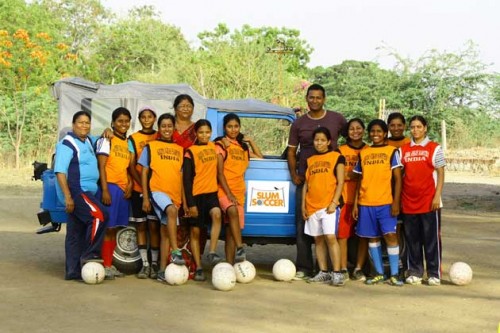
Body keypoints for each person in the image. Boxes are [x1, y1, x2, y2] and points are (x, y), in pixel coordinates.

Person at [287, 83, 347, 279]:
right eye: (311, 97)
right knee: (303, 226)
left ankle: (336, 269)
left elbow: (353, 137)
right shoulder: (298, 123)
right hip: (306, 181)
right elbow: (291, 151)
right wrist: (295, 174)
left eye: (318, 97)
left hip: (330, 184)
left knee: (332, 232)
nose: (314, 101)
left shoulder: (337, 119)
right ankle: (306, 268)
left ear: (324, 99)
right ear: (306, 99)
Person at [54, 111, 108, 280]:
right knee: (100, 216)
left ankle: (73, 271)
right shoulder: (67, 144)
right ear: (73, 124)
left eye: (87, 123)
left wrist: (107, 130)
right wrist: (68, 197)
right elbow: (60, 172)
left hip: (88, 192)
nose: (84, 126)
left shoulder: (87, 141)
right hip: (78, 191)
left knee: (76, 231)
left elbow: (102, 138)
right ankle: (90, 254)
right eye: (80, 122)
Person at [352, 119, 404, 286]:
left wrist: (396, 202)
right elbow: (359, 180)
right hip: (366, 203)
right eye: (372, 131)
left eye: (379, 131)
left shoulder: (392, 151)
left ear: (385, 133)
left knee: (390, 236)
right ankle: (379, 273)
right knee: (372, 238)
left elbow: (397, 179)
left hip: (385, 202)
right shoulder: (364, 153)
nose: (375, 134)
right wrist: (355, 204)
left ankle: (395, 273)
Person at [138, 113, 187, 282]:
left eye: (169, 126)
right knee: (171, 211)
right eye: (163, 126)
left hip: (175, 195)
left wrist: (185, 203)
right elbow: (144, 172)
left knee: (165, 232)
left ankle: (161, 270)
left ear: (174, 128)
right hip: (157, 191)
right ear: (159, 129)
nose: (166, 129)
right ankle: (176, 251)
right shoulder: (150, 147)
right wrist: (145, 197)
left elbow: (180, 178)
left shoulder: (180, 150)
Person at [400, 115, 445, 286]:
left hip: (429, 202)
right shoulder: (403, 150)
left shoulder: (434, 148)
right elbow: (401, 176)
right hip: (409, 202)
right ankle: (415, 272)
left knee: (431, 239)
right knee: (413, 240)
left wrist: (437, 196)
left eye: (419, 126)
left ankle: (434, 273)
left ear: (425, 128)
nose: (416, 130)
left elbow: (441, 174)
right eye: (412, 127)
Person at [215, 113, 263, 264]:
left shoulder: (243, 147)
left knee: (230, 231)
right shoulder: (221, 145)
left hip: (238, 192)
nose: (233, 129)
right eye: (230, 126)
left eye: (236, 126)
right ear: (224, 128)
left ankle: (229, 264)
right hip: (223, 190)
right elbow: (219, 172)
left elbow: (260, 157)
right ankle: (240, 246)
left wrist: (251, 141)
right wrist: (228, 193)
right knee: (232, 211)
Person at [302, 127, 345, 286]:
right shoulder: (310, 160)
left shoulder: (337, 157)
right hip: (312, 206)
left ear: (328, 141)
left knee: (331, 237)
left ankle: (337, 272)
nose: (319, 143)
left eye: (322, 140)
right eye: (316, 140)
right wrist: (303, 206)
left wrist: (334, 202)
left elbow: (340, 182)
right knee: (318, 239)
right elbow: (306, 184)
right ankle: (323, 272)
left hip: (328, 206)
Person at [95, 107, 134, 280]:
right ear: (113, 122)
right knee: (107, 228)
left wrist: (131, 183)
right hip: (109, 188)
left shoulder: (128, 143)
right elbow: (101, 166)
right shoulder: (106, 140)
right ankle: (104, 264)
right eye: (120, 121)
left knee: (115, 229)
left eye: (126, 121)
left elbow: (128, 168)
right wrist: (104, 190)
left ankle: (109, 264)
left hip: (122, 190)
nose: (123, 124)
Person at [183, 119, 223, 281]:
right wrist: (190, 204)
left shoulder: (214, 147)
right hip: (196, 196)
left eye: (207, 132)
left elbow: (233, 137)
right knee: (196, 232)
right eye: (201, 132)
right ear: (196, 133)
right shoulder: (190, 152)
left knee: (217, 215)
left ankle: (212, 252)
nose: (204, 135)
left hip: (211, 194)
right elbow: (186, 180)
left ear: (211, 132)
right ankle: (198, 267)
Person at [127, 106, 160, 279]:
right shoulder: (133, 138)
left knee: (154, 226)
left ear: (155, 118)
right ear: (139, 119)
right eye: (143, 117)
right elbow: (131, 165)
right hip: (139, 188)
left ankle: (154, 264)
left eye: (150, 116)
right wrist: (142, 184)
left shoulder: (160, 135)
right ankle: (144, 265)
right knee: (141, 225)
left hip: (156, 189)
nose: (147, 119)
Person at [338, 118, 368, 282]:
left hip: (365, 199)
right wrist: (354, 175)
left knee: (363, 235)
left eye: (358, 128)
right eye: (351, 129)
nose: (355, 131)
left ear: (363, 130)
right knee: (342, 236)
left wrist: (349, 175)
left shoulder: (369, 150)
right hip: (345, 199)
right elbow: (337, 175)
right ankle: (343, 268)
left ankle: (358, 268)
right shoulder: (340, 151)